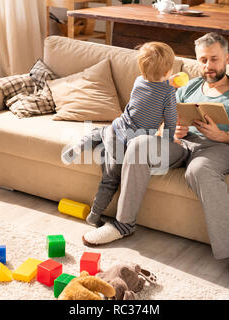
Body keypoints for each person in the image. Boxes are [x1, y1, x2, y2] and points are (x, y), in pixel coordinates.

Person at [82, 33, 229, 296]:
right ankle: (123, 224)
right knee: (139, 144)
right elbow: (163, 120)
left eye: (214, 59)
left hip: (220, 147)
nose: (208, 66)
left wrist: (221, 135)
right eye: (203, 60)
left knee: (199, 171)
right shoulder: (187, 87)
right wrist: (174, 130)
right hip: (182, 143)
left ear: (227, 57)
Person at [63, 41, 182, 228]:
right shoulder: (168, 93)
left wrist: (165, 79)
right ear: (167, 72)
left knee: (100, 132)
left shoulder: (138, 81)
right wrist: (165, 143)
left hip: (115, 129)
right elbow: (170, 122)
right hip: (128, 145)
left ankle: (80, 145)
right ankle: (94, 216)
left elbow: (152, 86)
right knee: (111, 180)